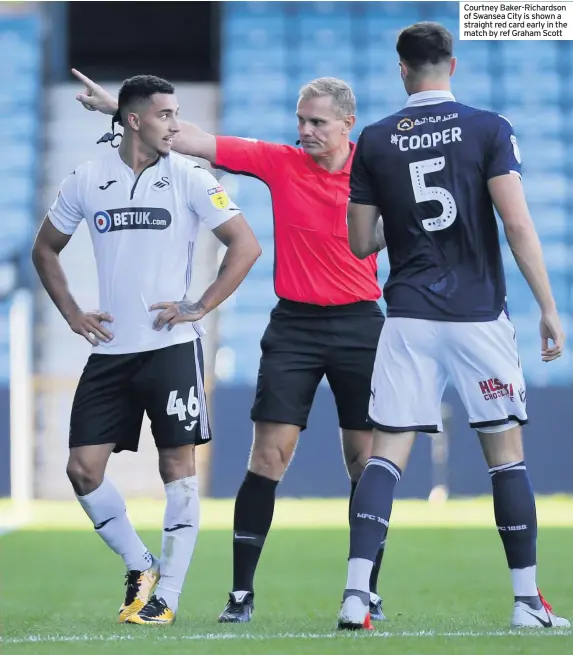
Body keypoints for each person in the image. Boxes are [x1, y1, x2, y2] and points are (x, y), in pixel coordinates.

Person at [71, 70, 389, 623]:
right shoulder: (278, 160)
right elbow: (190, 138)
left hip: (362, 324)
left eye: (316, 122)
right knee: (269, 456)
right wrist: (116, 111)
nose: (304, 131)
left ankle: (363, 591)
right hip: (294, 326)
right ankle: (241, 594)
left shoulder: (376, 168)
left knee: (364, 459)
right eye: (300, 120)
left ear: (346, 124)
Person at [337, 22, 570, 630]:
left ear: (402, 69)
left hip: (409, 315)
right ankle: (525, 603)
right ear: (452, 66)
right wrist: (548, 305)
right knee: (505, 457)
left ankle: (357, 595)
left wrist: (401, 215)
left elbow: (361, 242)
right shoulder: (490, 128)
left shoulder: (377, 139)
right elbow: (516, 225)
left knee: (385, 456)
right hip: (477, 316)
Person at [32, 74, 261, 626]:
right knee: (83, 470)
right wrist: (72, 313)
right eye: (164, 115)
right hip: (111, 352)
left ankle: (169, 599)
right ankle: (141, 564)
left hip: (171, 348)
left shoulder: (188, 176)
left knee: (178, 470)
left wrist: (199, 305)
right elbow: (46, 249)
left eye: (177, 114)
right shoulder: (87, 179)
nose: (175, 124)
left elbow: (245, 244)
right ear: (134, 120)